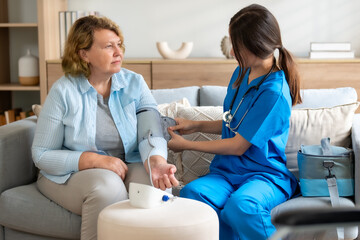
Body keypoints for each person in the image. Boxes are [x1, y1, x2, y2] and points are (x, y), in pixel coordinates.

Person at [32, 15, 178, 240]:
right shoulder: (63, 91)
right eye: (109, 46)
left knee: (156, 185)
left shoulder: (135, 83)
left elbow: (150, 129)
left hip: (125, 164)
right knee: (108, 186)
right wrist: (94, 160)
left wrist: (156, 161)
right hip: (70, 173)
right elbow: (41, 155)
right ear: (84, 53)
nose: (119, 52)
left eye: (119, 45)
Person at [168, 4, 301, 240]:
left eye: (236, 46)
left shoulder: (274, 92)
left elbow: (238, 145)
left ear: (256, 44)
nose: (232, 53)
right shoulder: (242, 72)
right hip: (227, 172)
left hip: (264, 175)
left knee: (242, 206)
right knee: (193, 194)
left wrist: (186, 144)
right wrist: (194, 125)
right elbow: (234, 122)